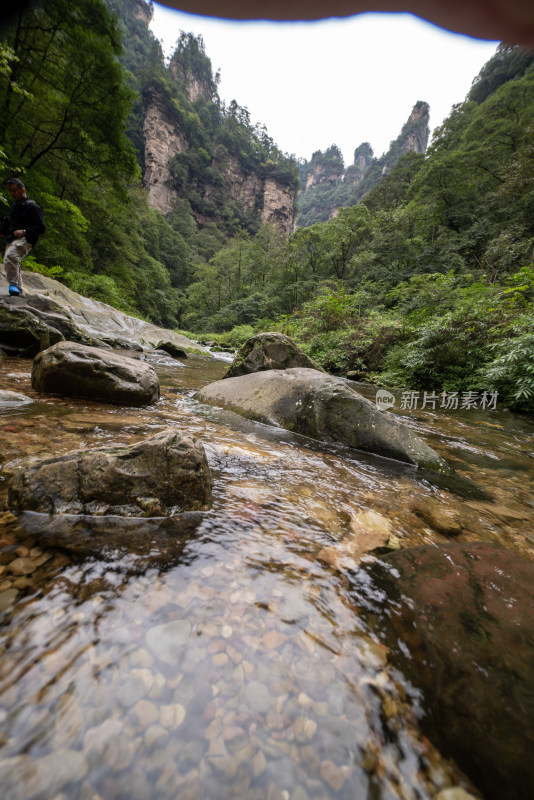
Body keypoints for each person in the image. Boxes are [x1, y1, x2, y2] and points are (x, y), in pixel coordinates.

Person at [0, 178, 46, 296]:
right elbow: (10, 223)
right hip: (11, 239)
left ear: (23, 190)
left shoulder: (33, 207)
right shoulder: (14, 207)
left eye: (14, 191)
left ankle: (14, 284)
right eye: (10, 191)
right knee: (9, 262)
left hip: (26, 239)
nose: (12, 193)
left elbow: (41, 227)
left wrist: (25, 231)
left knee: (11, 256)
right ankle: (19, 292)